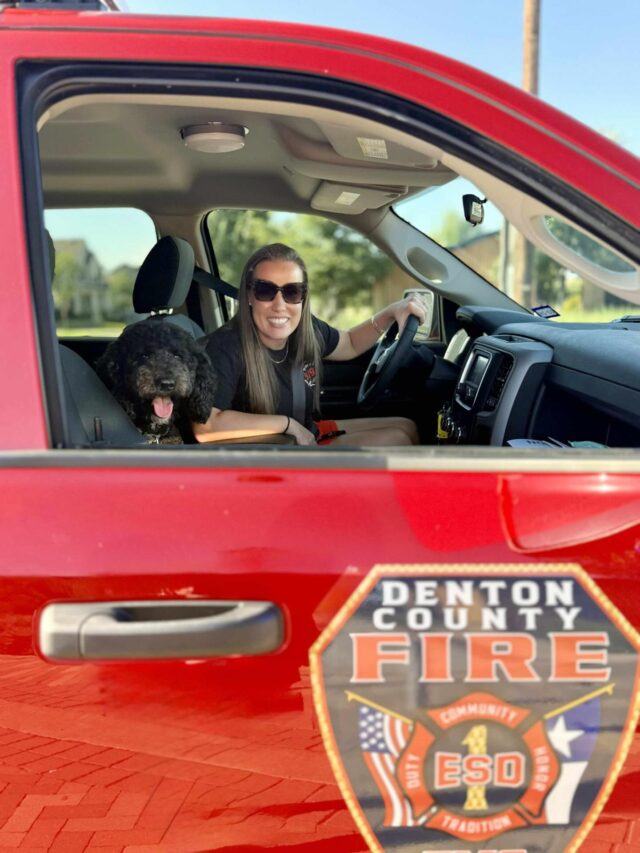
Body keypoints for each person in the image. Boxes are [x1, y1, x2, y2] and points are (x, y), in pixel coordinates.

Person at [194, 243, 426, 446]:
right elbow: (205, 427)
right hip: (271, 454)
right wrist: (286, 425)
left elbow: (351, 343)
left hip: (306, 433)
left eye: (292, 292)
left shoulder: (306, 331)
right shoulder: (225, 346)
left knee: (408, 426)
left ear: (303, 298)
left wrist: (391, 312)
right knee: (397, 439)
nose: (279, 305)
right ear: (249, 295)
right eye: (266, 290)